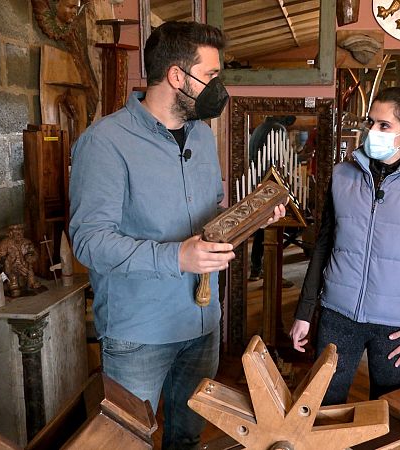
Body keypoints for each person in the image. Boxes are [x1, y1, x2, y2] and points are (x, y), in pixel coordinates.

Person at [68, 21, 283, 449]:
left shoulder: (202, 136)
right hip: (138, 333)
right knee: (127, 440)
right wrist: (176, 258)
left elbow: (210, 217)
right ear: (177, 77)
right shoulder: (105, 142)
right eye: (212, 76)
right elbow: (89, 241)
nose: (218, 88)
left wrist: (252, 216)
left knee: (186, 436)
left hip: (201, 321)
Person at [289, 87, 400, 405]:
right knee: (324, 406)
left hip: (396, 325)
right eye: (370, 122)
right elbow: (322, 247)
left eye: (383, 125)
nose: (371, 131)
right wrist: (305, 312)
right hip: (338, 315)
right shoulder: (341, 176)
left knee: (389, 413)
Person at [247, 115, 296, 283]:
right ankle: (272, 274)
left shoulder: (259, 128)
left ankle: (256, 268)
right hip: (270, 182)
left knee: (262, 229)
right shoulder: (278, 129)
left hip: (256, 180)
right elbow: (281, 159)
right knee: (272, 229)